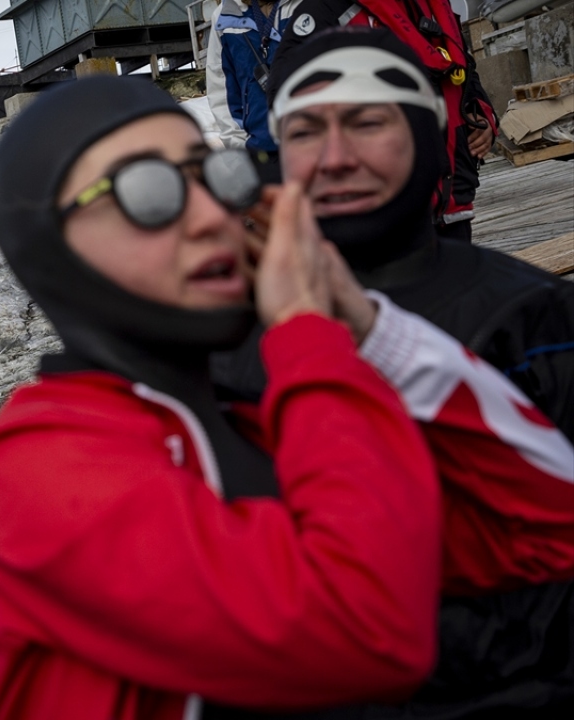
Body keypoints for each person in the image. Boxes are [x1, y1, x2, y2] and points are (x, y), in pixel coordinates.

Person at [0, 74, 447, 719]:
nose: (215, 216)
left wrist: (369, 330)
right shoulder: (27, 476)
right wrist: (307, 332)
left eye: (215, 176)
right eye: (148, 192)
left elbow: (542, 531)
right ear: (50, 247)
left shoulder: (248, 416)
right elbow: (369, 629)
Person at [214, 27, 574, 714]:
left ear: (425, 133)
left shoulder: (536, 317)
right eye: (306, 132)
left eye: (367, 122)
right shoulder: (221, 347)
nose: (336, 158)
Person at [275, 0, 497, 242]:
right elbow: (286, 95)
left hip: (453, 196)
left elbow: (462, 64)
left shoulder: (434, 4)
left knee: (458, 275)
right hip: (382, 214)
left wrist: (483, 114)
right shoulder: (328, 9)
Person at [206, 0, 304, 181]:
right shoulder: (225, 17)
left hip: (315, 149)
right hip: (260, 155)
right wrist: (239, 157)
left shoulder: (311, 6)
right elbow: (221, 89)